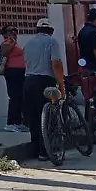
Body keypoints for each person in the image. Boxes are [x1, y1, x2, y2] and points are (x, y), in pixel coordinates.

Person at [21, 17, 67, 161]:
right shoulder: (52, 42)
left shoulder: (28, 44)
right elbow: (56, 64)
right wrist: (61, 84)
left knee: (34, 118)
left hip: (28, 81)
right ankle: (45, 151)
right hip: (45, 81)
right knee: (47, 117)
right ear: (51, 30)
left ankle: (36, 150)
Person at [0, 25, 28, 133]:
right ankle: (10, 123)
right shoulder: (6, 43)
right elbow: (4, 53)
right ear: (5, 34)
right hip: (12, 71)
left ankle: (18, 122)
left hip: (19, 71)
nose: (13, 32)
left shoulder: (14, 42)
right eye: (10, 31)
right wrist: (11, 42)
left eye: (15, 30)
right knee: (14, 97)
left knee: (20, 97)